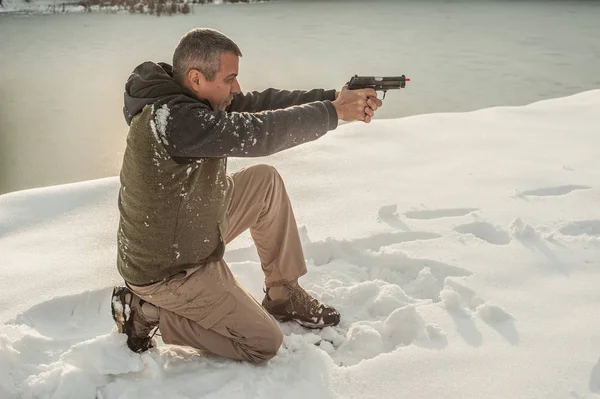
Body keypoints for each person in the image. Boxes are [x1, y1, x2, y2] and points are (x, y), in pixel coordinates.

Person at [111, 27, 382, 364]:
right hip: (169, 268)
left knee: (263, 182)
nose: (236, 88)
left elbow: (256, 106)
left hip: (192, 221)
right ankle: (147, 311)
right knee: (262, 343)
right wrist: (335, 113)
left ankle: (284, 295)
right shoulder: (176, 122)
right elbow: (259, 132)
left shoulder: (186, 98)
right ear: (196, 78)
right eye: (230, 79)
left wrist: (332, 98)